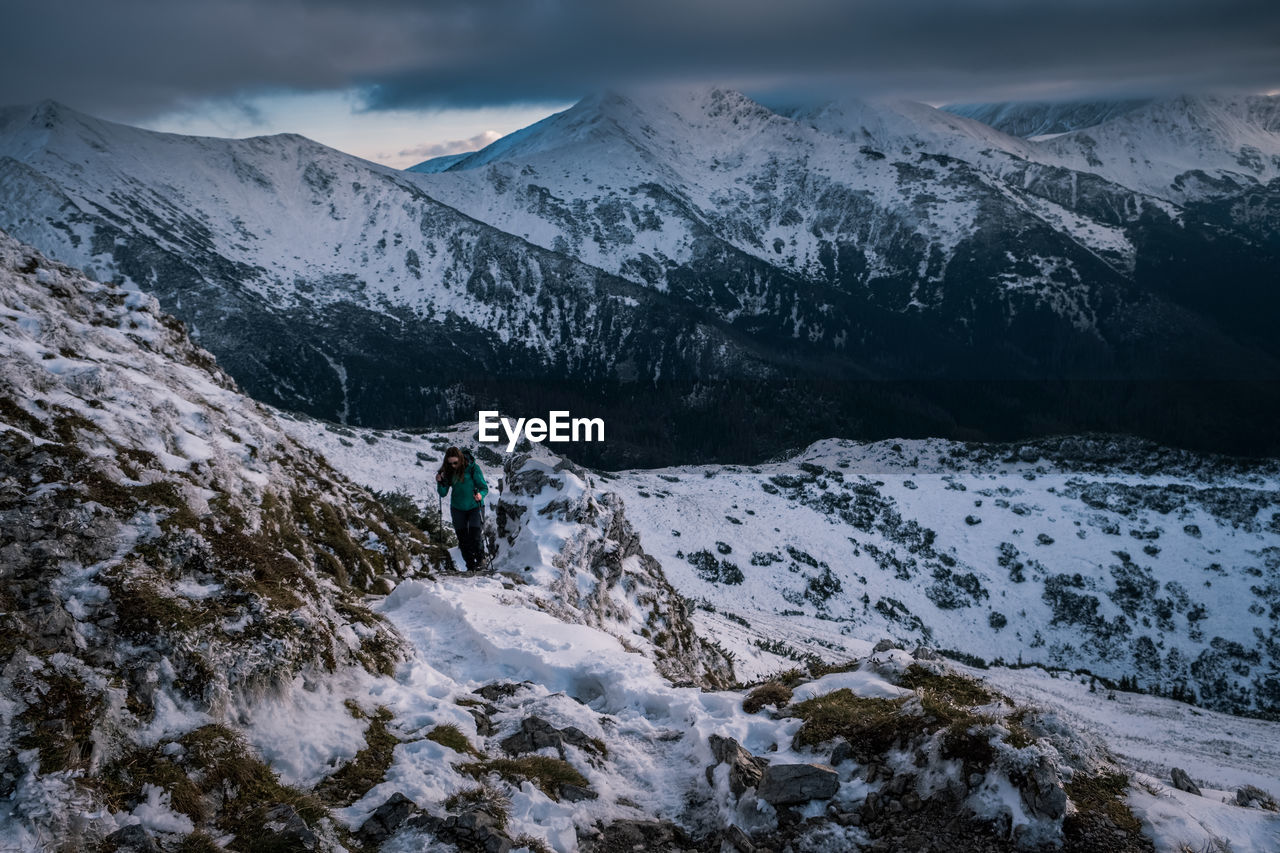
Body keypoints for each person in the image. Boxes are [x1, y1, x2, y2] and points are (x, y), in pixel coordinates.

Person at [436, 446, 490, 572]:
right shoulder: (447, 471)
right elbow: (443, 493)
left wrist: (480, 495)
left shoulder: (473, 468)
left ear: (461, 458)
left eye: (455, 462)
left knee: (475, 535)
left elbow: (484, 487)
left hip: (475, 506)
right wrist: (440, 482)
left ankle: (481, 561)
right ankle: (470, 566)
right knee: (463, 539)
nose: (453, 465)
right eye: (450, 463)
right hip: (457, 508)